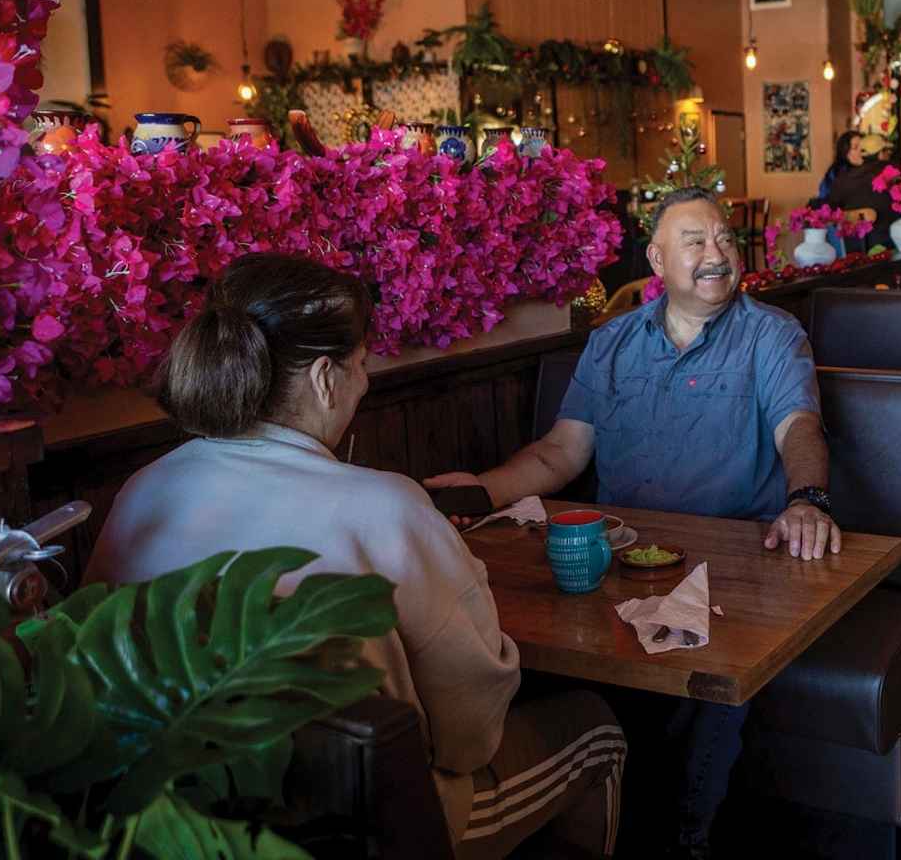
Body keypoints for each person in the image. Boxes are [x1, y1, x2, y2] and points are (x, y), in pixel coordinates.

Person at [84, 255, 624, 860]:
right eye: (363, 364)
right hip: (369, 828)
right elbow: (472, 736)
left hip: (178, 826)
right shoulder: (385, 507)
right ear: (324, 378)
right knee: (597, 729)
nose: (365, 383)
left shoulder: (143, 493)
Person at [433, 186, 836, 860]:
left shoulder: (771, 333)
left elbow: (801, 425)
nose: (716, 255)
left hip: (734, 563)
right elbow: (561, 453)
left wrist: (809, 499)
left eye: (725, 241)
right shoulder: (612, 342)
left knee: (707, 672)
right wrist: (477, 492)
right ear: (655, 258)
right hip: (625, 560)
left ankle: (684, 843)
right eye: (696, 242)